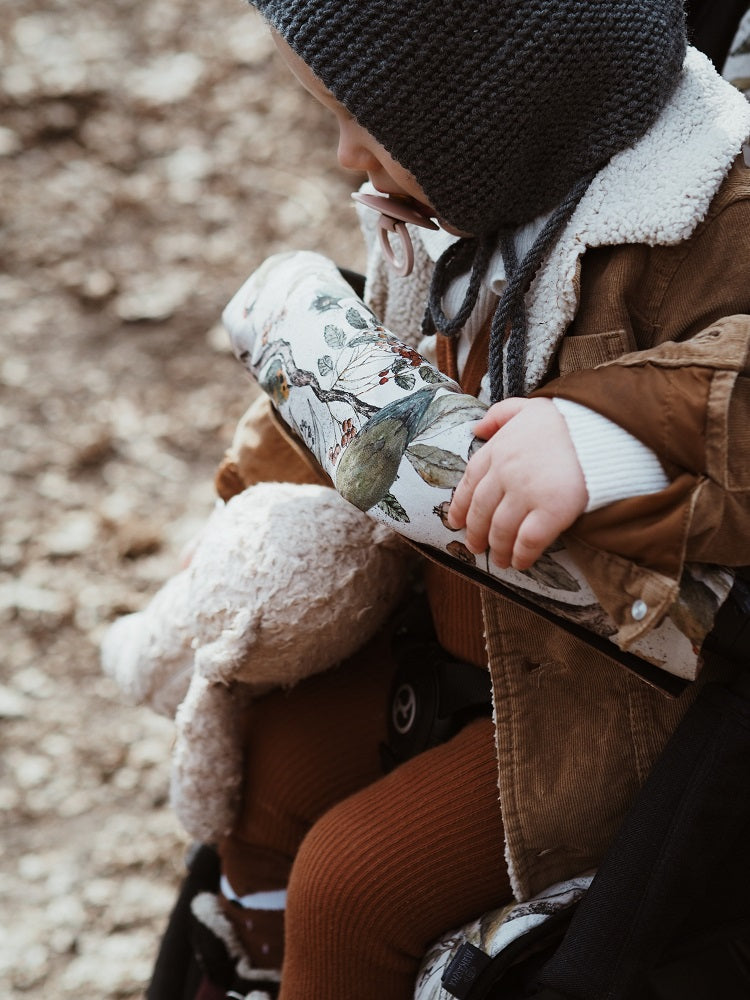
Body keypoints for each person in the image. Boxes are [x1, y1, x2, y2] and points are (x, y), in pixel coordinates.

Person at [138, 3, 750, 999]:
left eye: (362, 123)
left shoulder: (702, 212)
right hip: (447, 624)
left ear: (487, 109)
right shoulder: (464, 205)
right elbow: (381, 368)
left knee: (351, 883)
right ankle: (256, 960)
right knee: (266, 763)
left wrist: (611, 432)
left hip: (603, 703)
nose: (343, 157)